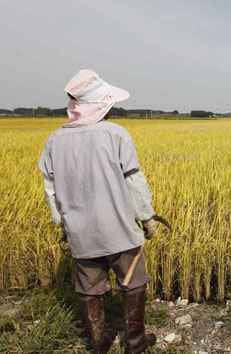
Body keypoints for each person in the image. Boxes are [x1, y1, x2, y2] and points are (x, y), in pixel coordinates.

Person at [38, 69, 158, 354]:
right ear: (100, 104)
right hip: (119, 231)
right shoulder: (116, 134)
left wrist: (63, 225)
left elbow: (50, 190)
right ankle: (135, 343)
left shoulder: (55, 140)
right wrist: (147, 217)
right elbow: (133, 179)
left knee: (90, 289)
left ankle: (98, 343)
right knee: (133, 283)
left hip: (80, 234)